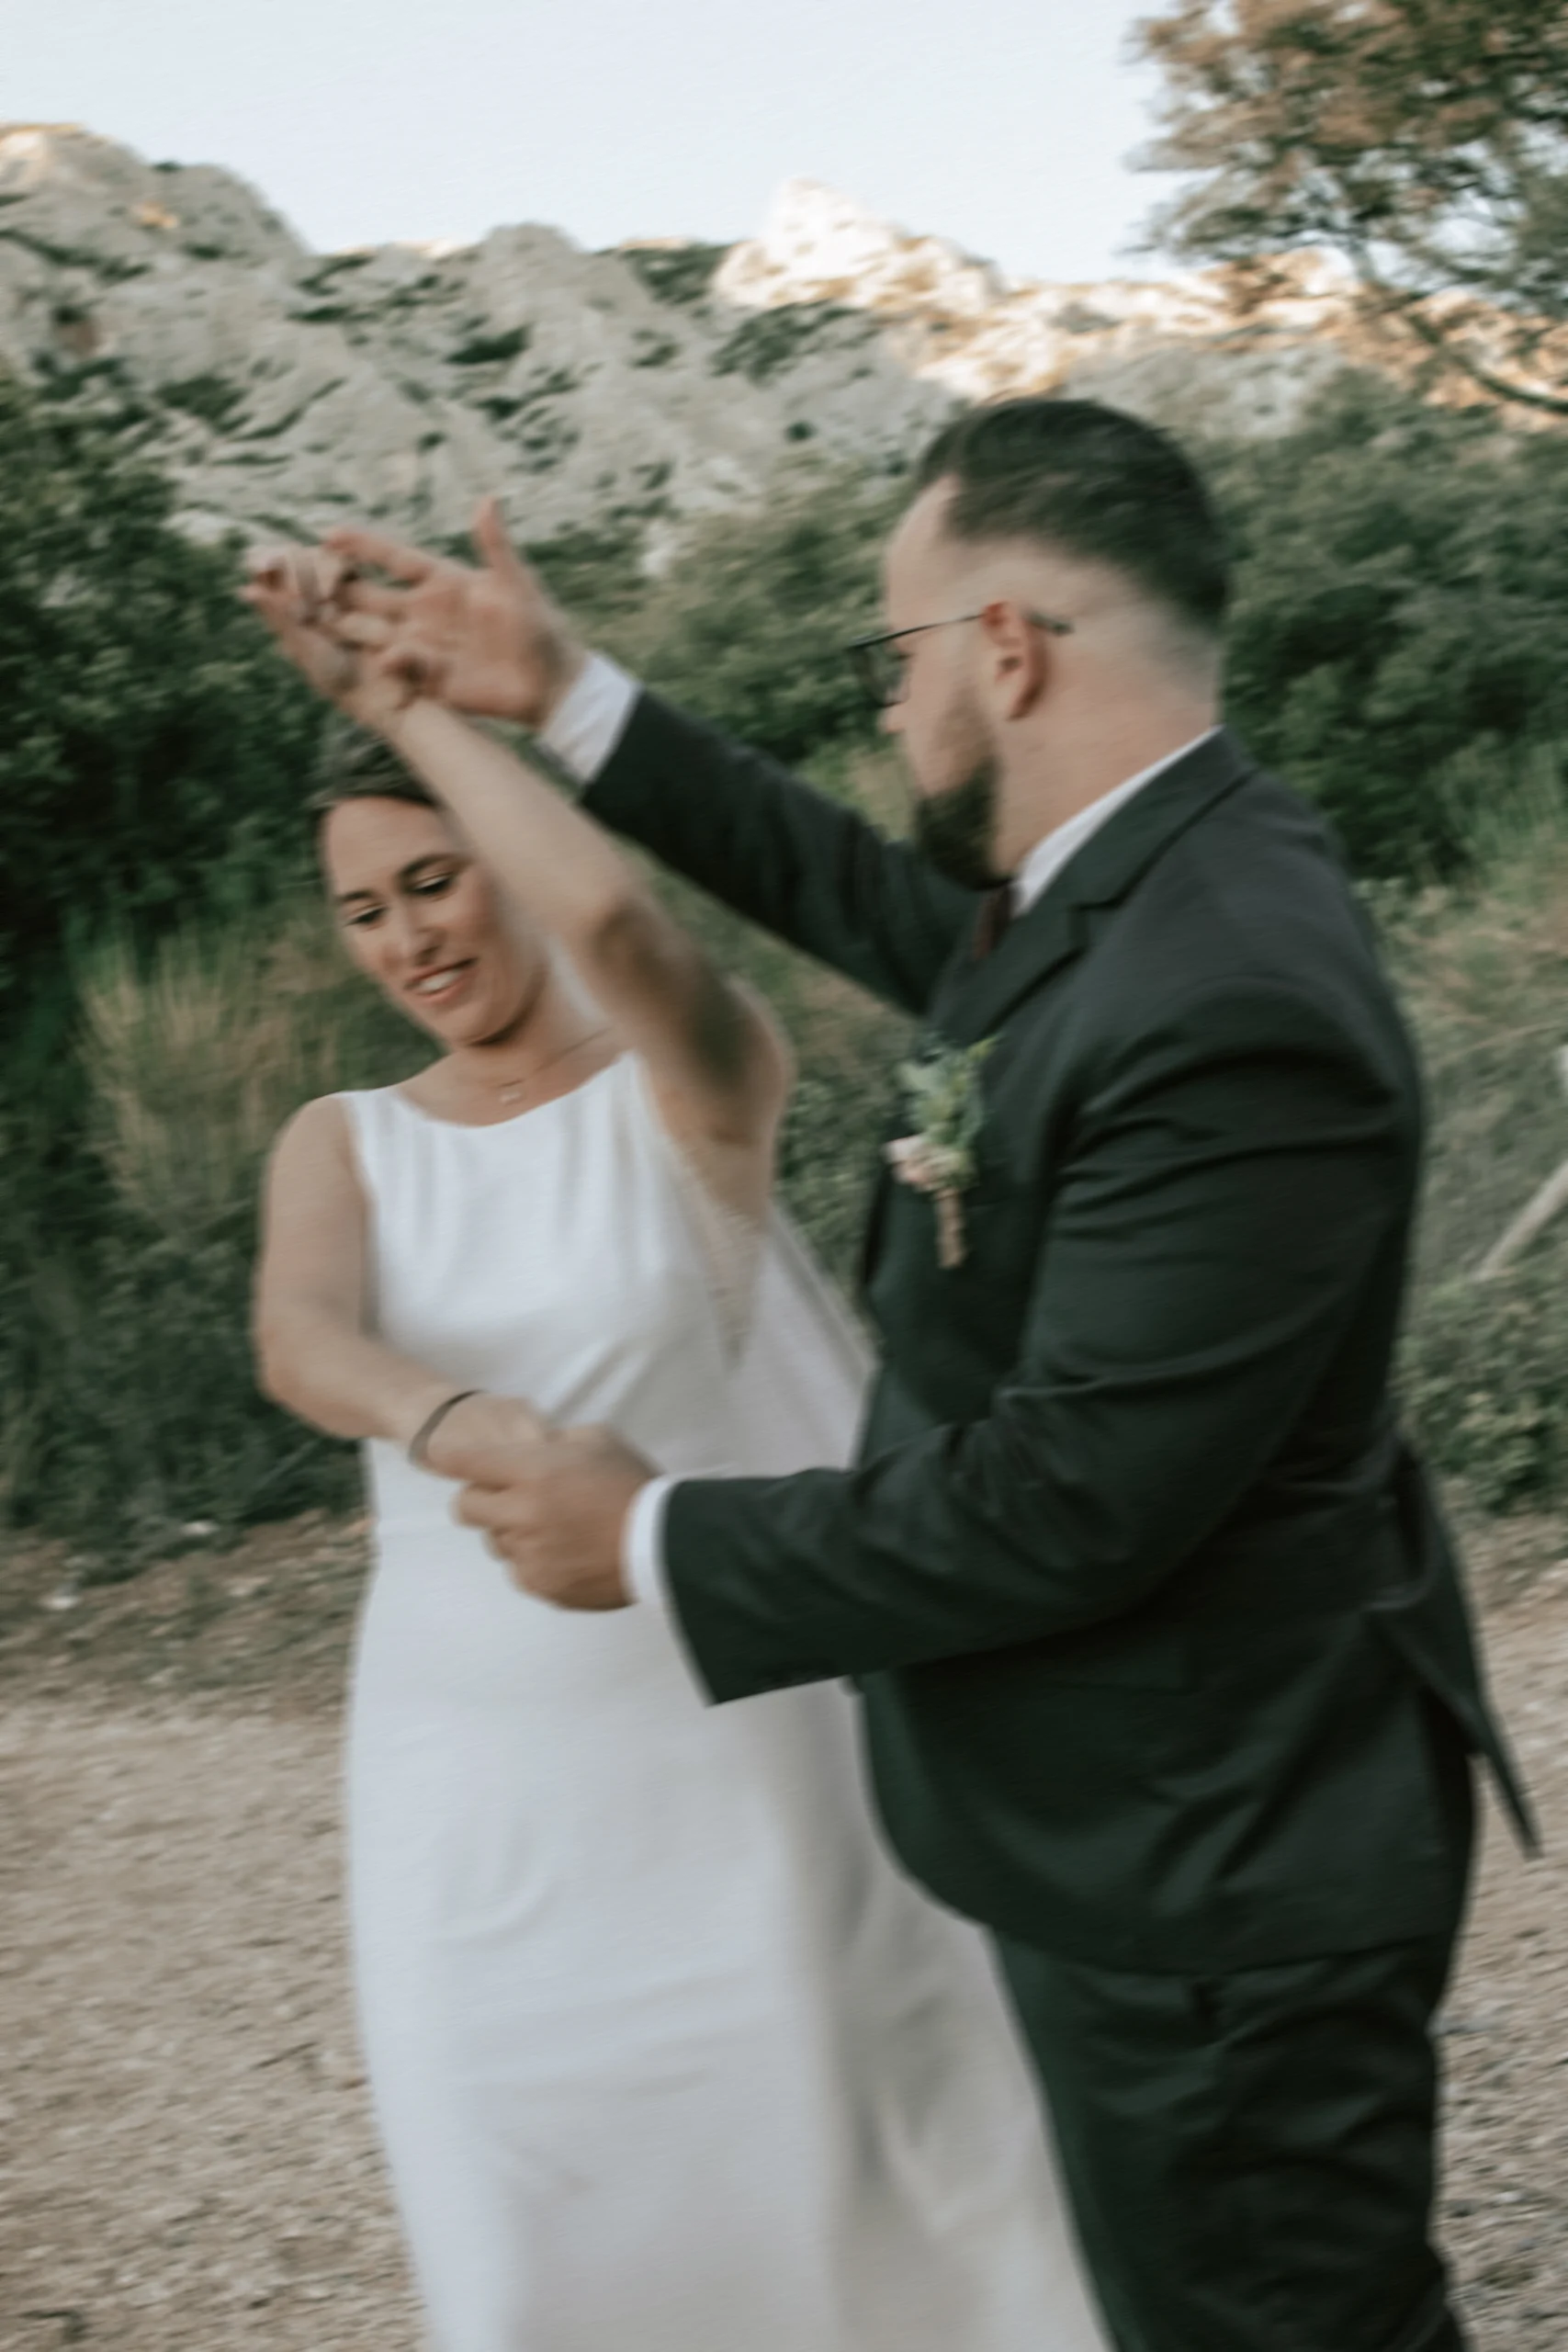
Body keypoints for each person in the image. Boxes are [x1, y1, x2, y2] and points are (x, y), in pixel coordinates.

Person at [316, 398, 1535, 2352]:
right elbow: (876, 903)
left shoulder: (1227, 991)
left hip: (1215, 1856)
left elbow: (1075, 1493)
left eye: (893, 660)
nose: (887, 714)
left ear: (1004, 649)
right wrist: (558, 688)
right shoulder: (1146, 872)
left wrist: (652, 1532)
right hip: (1148, 1811)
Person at [244, 553, 1111, 2352]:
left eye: (437, 873)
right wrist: (449, 1412)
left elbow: (629, 934)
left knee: (827, 2210)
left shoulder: (689, 1090)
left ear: (510, 854)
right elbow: (301, 1338)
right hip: (470, 1811)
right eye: (363, 910)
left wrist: (410, 708)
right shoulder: (345, 1141)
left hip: (736, 1793)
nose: (409, 934)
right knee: (528, 2249)